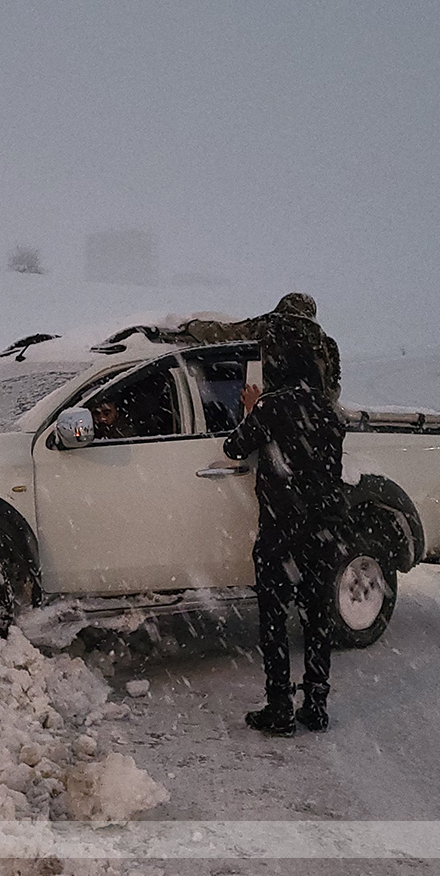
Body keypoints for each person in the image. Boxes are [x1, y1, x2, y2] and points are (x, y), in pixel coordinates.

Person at [223, 331, 348, 736]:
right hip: (325, 531)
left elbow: (234, 448)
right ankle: (316, 705)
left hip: (283, 529)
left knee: (275, 619)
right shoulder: (330, 413)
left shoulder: (273, 407)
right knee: (317, 619)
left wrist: (252, 409)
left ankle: (280, 706)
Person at [181, 292, 341, 402]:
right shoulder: (326, 346)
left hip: (271, 416)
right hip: (313, 423)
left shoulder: (268, 328)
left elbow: (222, 334)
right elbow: (332, 392)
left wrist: (192, 326)